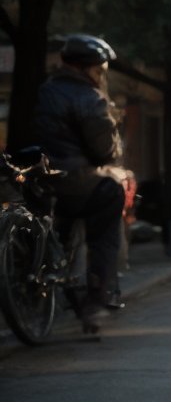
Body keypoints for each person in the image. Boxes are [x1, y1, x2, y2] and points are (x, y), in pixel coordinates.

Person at [31, 33, 126, 333]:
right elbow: (103, 150)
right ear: (87, 68)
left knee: (61, 224)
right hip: (78, 181)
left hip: (42, 179)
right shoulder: (89, 97)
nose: (101, 75)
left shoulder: (45, 91)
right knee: (110, 199)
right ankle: (97, 296)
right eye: (99, 69)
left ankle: (55, 278)